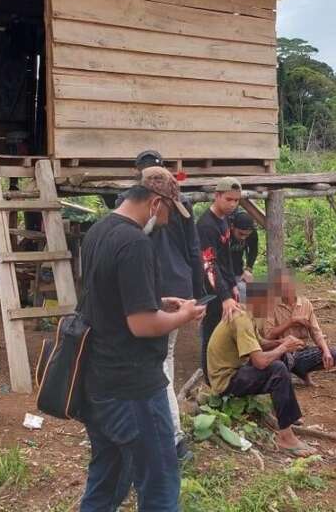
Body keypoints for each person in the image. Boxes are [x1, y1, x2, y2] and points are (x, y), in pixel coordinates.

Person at [78, 167, 207, 512]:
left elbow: (111, 299)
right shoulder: (135, 242)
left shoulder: (99, 231)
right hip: (133, 388)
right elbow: (141, 325)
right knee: (161, 483)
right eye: (167, 213)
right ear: (154, 203)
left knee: (107, 478)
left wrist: (159, 302)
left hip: (99, 383)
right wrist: (184, 315)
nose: (166, 222)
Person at [119, 150, 203, 462]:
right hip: (178, 287)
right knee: (160, 360)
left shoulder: (134, 206)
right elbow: (194, 251)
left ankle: (173, 439)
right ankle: (160, 433)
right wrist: (197, 293)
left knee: (158, 364)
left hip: (153, 290)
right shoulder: (184, 205)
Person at [206, 281, 316, 457]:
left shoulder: (248, 315)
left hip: (234, 371)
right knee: (277, 369)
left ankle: (288, 418)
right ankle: (285, 438)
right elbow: (259, 362)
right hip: (225, 381)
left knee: (277, 359)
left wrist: (280, 343)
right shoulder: (241, 319)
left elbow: (259, 343)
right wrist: (283, 347)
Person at [261, 268, 336, 385]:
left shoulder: (306, 303)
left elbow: (316, 332)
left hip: (302, 351)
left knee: (334, 354)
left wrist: (326, 351)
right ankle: (287, 374)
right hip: (283, 351)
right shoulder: (271, 305)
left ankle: (301, 371)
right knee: (284, 359)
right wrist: (291, 321)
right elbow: (268, 336)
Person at [196, 177, 242, 380]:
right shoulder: (206, 225)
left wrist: (233, 284)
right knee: (211, 333)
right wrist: (224, 297)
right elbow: (209, 264)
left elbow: (226, 257)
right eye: (229, 199)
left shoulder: (225, 220)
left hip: (223, 284)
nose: (233, 204)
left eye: (236, 200)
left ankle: (224, 373)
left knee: (226, 331)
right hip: (210, 289)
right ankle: (209, 379)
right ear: (217, 196)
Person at [229, 210, 260, 300]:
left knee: (244, 295)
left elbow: (253, 250)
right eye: (241, 234)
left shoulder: (252, 233)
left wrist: (248, 268)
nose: (243, 237)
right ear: (232, 227)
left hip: (238, 269)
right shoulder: (224, 231)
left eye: (246, 235)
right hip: (221, 271)